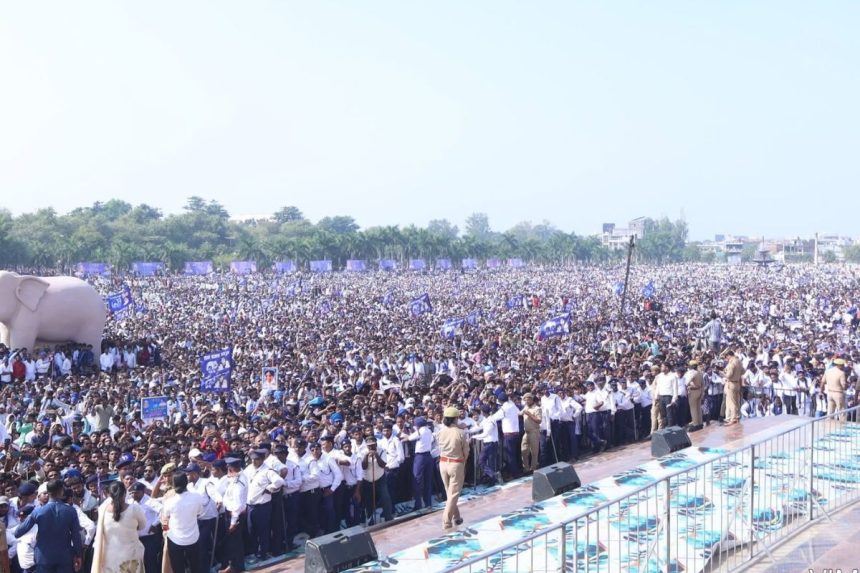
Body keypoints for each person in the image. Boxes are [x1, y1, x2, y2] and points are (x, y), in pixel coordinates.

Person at [13, 479, 83, 573]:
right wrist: (78, 555)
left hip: (43, 558)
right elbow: (76, 536)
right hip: (65, 558)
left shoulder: (38, 511)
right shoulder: (71, 511)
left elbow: (18, 533)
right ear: (61, 491)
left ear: (48, 492)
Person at [90, 481, 146, 573]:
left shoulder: (103, 510)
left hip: (109, 557)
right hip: (130, 555)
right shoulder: (134, 509)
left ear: (109, 494)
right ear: (125, 493)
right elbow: (142, 526)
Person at [160, 473, 205, 573]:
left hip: (175, 540)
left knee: (178, 569)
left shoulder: (170, 502)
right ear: (186, 482)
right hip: (193, 538)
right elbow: (200, 513)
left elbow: (166, 516)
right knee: (195, 568)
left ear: (173, 484)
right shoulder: (197, 497)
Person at [436, 406, 470, 530]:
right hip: (456, 463)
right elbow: (466, 451)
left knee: (449, 492)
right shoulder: (461, 433)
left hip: (443, 463)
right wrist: (463, 462)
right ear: (455, 419)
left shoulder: (440, 432)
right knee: (454, 494)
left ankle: (457, 516)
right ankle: (446, 521)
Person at [219, 457, 247, 573]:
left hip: (235, 515)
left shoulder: (238, 482)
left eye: (228, 468)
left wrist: (233, 522)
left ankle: (236, 567)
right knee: (234, 542)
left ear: (231, 468)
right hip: (232, 514)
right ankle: (234, 565)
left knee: (235, 543)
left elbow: (237, 504)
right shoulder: (237, 477)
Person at [519, 393, 542, 473]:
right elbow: (519, 414)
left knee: (534, 451)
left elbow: (539, 421)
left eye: (528, 400)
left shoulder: (537, 408)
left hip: (534, 431)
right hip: (526, 432)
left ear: (532, 399)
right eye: (525, 400)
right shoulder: (525, 407)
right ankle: (526, 468)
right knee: (524, 450)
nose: (527, 402)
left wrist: (529, 414)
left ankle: (533, 468)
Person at [722, 350, 745, 426]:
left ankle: (733, 418)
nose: (726, 358)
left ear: (729, 355)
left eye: (726, 357)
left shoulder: (732, 363)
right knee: (736, 401)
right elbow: (743, 371)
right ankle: (736, 416)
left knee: (732, 402)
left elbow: (729, 375)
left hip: (731, 383)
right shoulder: (739, 361)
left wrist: (722, 373)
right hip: (737, 383)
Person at [686, 361, 704, 431]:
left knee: (693, 409)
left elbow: (687, 382)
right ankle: (700, 423)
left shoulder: (692, 373)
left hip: (693, 391)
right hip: (699, 391)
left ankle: (695, 424)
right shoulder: (700, 373)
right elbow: (703, 384)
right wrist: (702, 393)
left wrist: (690, 385)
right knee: (698, 408)